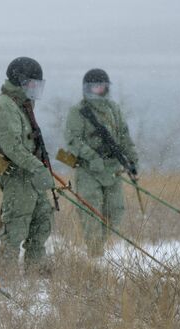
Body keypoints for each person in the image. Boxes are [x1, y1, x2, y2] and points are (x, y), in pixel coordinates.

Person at [0, 57, 55, 276]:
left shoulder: (22, 103)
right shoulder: (5, 106)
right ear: (20, 81)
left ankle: (35, 276)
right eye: (32, 84)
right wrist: (38, 168)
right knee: (15, 229)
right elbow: (13, 148)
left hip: (31, 176)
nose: (35, 89)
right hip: (18, 177)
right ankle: (6, 278)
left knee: (42, 222)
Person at [64, 68, 139, 257]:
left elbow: (124, 136)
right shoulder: (78, 111)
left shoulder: (114, 109)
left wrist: (131, 161)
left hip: (113, 168)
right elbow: (73, 140)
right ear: (87, 88)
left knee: (116, 210)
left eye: (102, 87)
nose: (99, 90)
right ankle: (95, 252)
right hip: (89, 170)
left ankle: (99, 245)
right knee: (91, 211)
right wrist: (92, 157)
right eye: (95, 87)